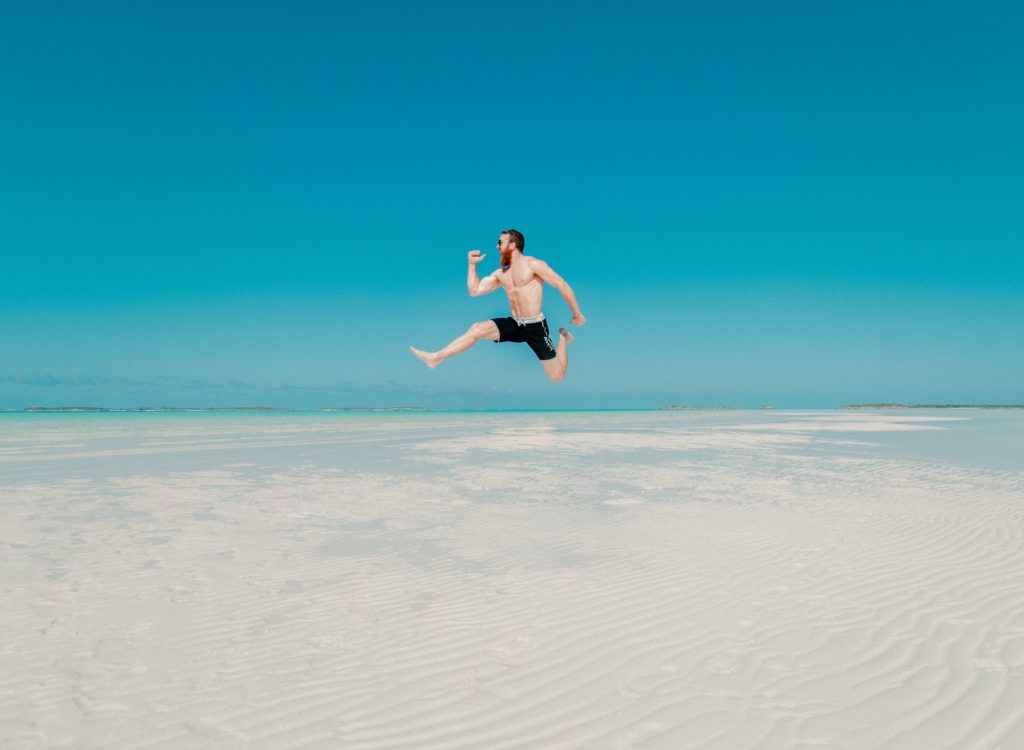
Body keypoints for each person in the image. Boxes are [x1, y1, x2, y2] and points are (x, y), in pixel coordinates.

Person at [410, 229, 585, 382]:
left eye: (500, 242)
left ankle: (563, 339)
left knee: (557, 377)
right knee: (477, 329)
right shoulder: (501, 273)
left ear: (513, 244)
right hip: (515, 324)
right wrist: (472, 265)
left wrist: (577, 314)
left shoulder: (533, 264)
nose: (497, 247)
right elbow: (475, 291)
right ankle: (435, 358)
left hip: (535, 326)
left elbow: (561, 284)